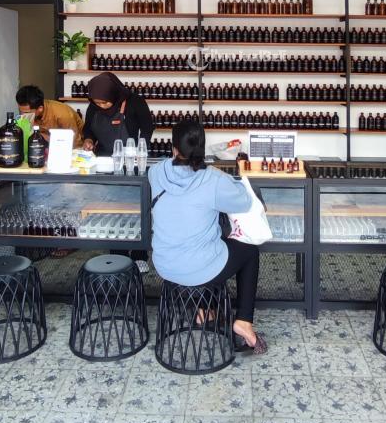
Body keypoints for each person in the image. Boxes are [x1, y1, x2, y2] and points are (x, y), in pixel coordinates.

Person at [149, 120, 267, 354]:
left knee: (210, 243)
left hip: (164, 264)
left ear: (174, 148)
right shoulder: (212, 179)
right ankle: (243, 321)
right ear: (202, 148)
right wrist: (224, 177)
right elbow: (244, 201)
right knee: (248, 251)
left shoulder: (155, 172)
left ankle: (205, 311)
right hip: (200, 267)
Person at [82, 72, 153, 155]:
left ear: (113, 93)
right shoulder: (93, 106)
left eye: (105, 102)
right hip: (101, 157)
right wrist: (89, 140)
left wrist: (141, 150)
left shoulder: (135, 101)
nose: (101, 106)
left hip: (129, 156)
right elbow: (88, 128)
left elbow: (147, 128)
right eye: (97, 103)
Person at [15, 85, 84, 147]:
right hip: (48, 143)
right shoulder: (30, 113)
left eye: (27, 113)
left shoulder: (62, 114)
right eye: (21, 111)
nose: (23, 115)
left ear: (40, 108)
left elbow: (75, 142)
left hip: (72, 144)